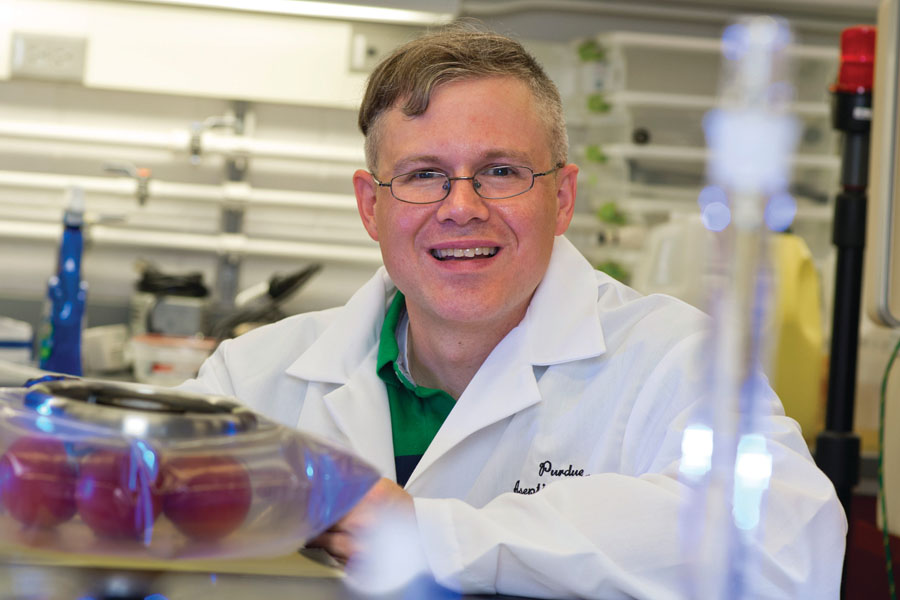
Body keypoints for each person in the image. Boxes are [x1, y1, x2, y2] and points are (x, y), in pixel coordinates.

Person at [180, 23, 846, 598]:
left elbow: (787, 555)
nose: (463, 206)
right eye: (422, 174)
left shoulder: (676, 360)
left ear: (561, 198)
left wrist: (433, 534)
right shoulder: (253, 379)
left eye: (501, 171)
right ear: (370, 205)